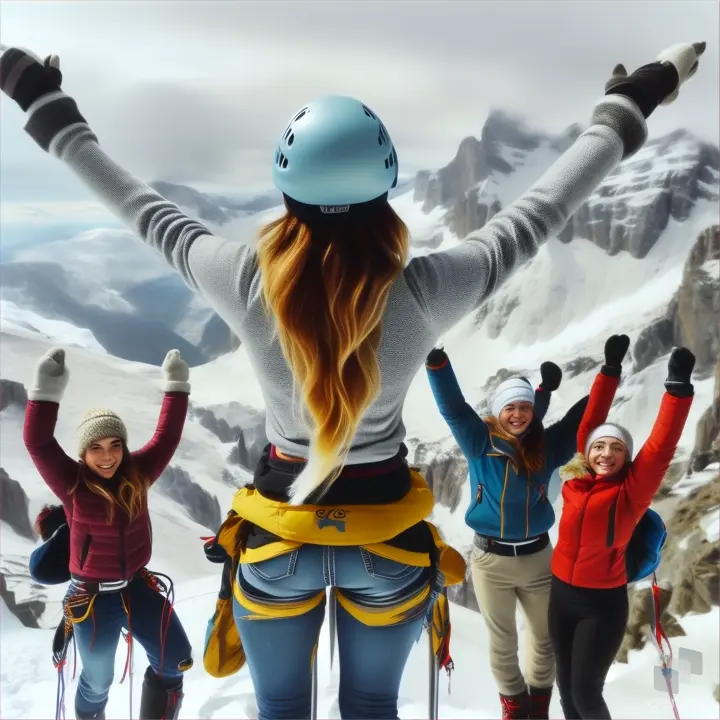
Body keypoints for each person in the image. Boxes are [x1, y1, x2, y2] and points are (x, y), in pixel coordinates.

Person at [0, 40, 705, 720]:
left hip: (278, 544)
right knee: (371, 708)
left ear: (285, 186)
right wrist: (628, 103)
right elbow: (541, 212)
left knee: (281, 709)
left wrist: (46, 103)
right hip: (387, 545)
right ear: (387, 184)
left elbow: (144, 212)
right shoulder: (428, 289)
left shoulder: (246, 281)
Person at [424, 335, 629, 719]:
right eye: (510, 408)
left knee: (546, 639)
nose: (517, 415)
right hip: (490, 560)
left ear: (533, 411)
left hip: (537, 558)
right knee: (503, 643)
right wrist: (436, 361)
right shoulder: (477, 441)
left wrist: (610, 372)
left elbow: (584, 421)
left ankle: (539, 708)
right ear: (498, 411)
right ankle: (514, 710)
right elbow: (452, 407)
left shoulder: (547, 447)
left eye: (525, 408)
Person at [23, 347, 194, 720]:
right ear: (83, 453)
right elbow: (39, 443)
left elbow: (167, 437)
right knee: (98, 680)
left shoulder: (139, 473)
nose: (107, 456)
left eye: (115, 445)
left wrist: (177, 386)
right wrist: (44, 393)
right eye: (96, 448)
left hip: (136, 586)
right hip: (91, 598)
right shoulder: (72, 485)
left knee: (176, 661)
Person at [549, 347, 696, 719]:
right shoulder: (576, 482)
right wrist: (609, 371)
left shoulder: (631, 493)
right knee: (566, 696)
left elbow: (661, 448)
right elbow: (589, 423)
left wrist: (677, 391)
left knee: (585, 695)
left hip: (601, 606)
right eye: (599, 446)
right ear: (587, 453)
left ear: (626, 457)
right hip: (561, 596)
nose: (605, 453)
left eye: (616, 448)